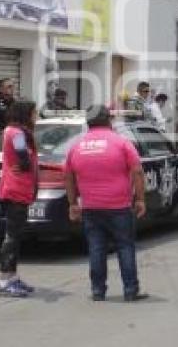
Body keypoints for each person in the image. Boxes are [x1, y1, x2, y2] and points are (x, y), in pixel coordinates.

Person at [65, 105, 148, 302]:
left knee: (96, 248)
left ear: (88, 122)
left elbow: (68, 175)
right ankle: (130, 290)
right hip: (119, 206)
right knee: (125, 247)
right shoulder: (121, 143)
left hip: (91, 207)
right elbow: (137, 171)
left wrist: (72, 203)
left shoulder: (77, 145)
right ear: (108, 120)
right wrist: (140, 199)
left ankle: (97, 290)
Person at [0, 100, 39, 298]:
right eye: (34, 113)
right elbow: (24, 159)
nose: (36, 117)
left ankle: (12, 277)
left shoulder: (15, 132)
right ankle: (5, 280)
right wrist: (26, 164)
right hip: (16, 189)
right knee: (12, 237)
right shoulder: (17, 133)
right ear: (25, 114)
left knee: (15, 235)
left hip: (19, 188)